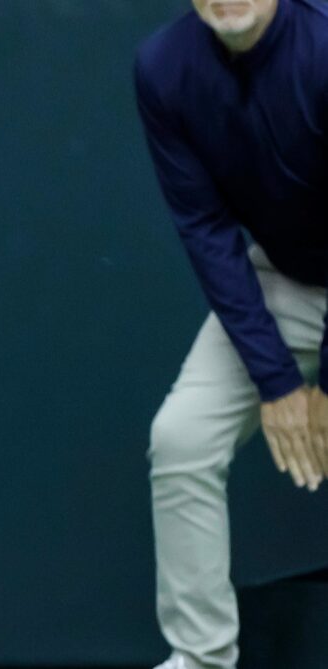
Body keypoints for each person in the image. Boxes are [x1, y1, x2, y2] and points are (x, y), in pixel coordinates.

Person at [134, 1, 328, 667]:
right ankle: (202, 655)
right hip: (284, 278)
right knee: (181, 438)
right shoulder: (164, 68)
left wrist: (324, 384)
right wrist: (277, 382)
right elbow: (208, 233)